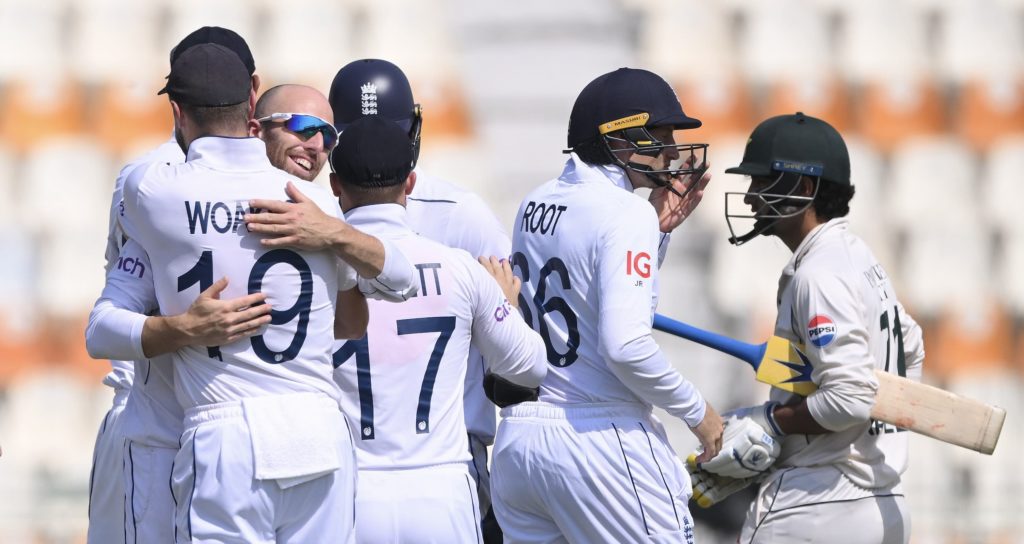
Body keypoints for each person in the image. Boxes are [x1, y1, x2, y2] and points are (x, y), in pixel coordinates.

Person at [112, 43, 416, 542]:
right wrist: (333, 232)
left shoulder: (154, 191)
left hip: (225, 433)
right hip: (317, 425)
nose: (315, 143)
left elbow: (103, 325)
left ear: (176, 111)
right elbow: (398, 282)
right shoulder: (318, 202)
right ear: (253, 110)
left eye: (326, 133)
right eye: (300, 126)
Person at [489, 67, 724, 543]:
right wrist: (701, 414)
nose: (674, 151)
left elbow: (585, 294)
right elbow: (626, 346)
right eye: (657, 136)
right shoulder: (627, 212)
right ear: (612, 140)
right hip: (600, 440)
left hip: (523, 442)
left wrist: (657, 233)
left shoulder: (536, 201)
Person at [303, 113, 542, 543]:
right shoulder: (461, 267)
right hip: (442, 493)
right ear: (410, 184)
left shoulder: (314, 275)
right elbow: (529, 368)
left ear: (335, 187)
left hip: (348, 492)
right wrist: (507, 307)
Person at [692, 112, 924, 543]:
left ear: (802, 188)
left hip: (815, 508)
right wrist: (804, 389)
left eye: (763, 183)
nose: (749, 199)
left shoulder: (819, 274)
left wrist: (773, 422)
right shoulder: (859, 258)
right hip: (883, 506)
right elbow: (910, 346)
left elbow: (851, 398)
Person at [87, 25, 262, 544]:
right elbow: (115, 313)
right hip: (156, 432)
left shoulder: (266, 174)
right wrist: (185, 328)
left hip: (234, 436)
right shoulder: (148, 180)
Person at [249, 84, 338, 181]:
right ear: (255, 132)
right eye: (304, 126)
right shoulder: (231, 192)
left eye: (329, 137)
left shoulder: (323, 196)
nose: (318, 146)